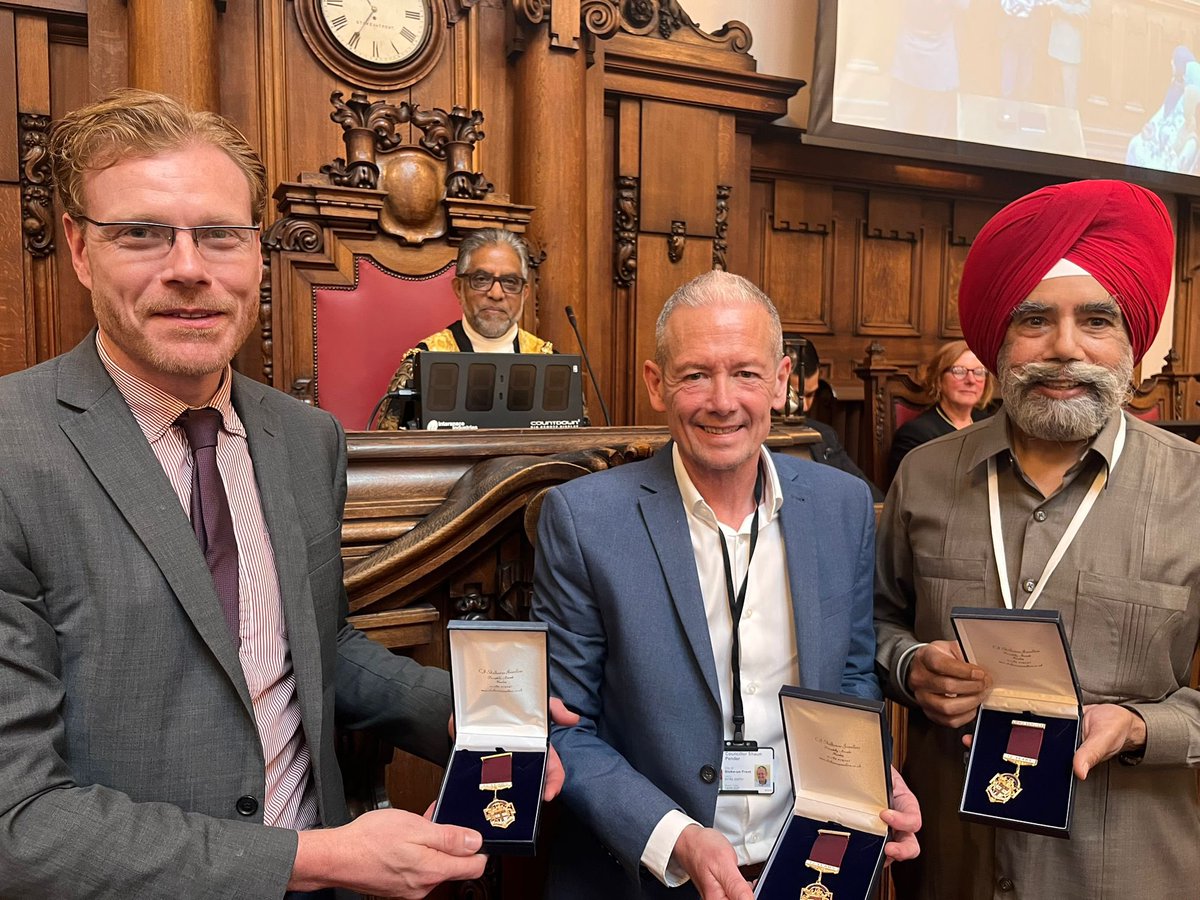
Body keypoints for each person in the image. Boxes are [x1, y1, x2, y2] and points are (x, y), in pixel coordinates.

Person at [0, 89, 572, 900]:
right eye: (142, 234)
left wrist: (459, 712)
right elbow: (18, 824)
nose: (189, 269)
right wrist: (318, 859)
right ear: (80, 250)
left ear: (257, 254)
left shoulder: (305, 440)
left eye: (221, 237)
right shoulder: (10, 453)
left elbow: (314, 644)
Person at [533, 270, 921, 900]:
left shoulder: (843, 506)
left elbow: (851, 680)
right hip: (648, 874)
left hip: (810, 865)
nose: (722, 400)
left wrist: (872, 779)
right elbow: (561, 727)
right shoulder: (584, 520)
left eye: (745, 372)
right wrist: (675, 836)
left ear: (781, 381)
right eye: (694, 374)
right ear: (657, 385)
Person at [875, 179, 1200, 899]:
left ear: (1133, 347)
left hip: (1126, 869)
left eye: (1096, 321)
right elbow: (873, 622)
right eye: (1033, 321)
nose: (1064, 349)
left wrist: (1147, 727)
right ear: (997, 343)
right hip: (951, 867)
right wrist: (909, 667)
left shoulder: (1193, 492)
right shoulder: (925, 475)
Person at [376, 228, 553, 429]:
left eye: (510, 282)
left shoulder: (550, 362)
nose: (496, 293)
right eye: (481, 279)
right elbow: (391, 449)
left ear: (525, 293)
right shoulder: (422, 364)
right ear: (458, 288)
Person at [783, 340, 884, 502]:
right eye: (796, 395)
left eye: (811, 395)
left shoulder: (825, 436)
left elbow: (871, 497)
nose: (806, 406)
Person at [887, 339, 994, 477]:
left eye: (979, 372)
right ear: (938, 379)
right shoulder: (916, 435)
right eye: (959, 371)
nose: (971, 380)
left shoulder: (992, 425)